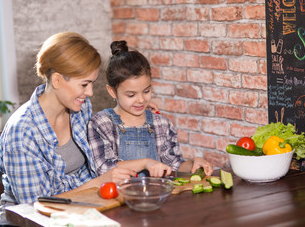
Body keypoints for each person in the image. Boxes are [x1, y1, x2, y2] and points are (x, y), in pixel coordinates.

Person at [0, 32, 136, 226]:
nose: (90, 93)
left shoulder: (80, 107)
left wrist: (137, 115)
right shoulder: (22, 132)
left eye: (92, 83)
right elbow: (34, 206)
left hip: (77, 211)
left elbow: (102, 143)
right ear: (58, 80)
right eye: (84, 84)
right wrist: (98, 183)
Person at [87, 40, 213, 178]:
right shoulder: (101, 123)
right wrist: (145, 163)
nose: (141, 100)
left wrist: (193, 163)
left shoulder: (162, 124)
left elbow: (175, 164)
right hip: (118, 197)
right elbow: (104, 169)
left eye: (146, 91)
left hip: (156, 196)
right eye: (131, 95)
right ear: (112, 92)